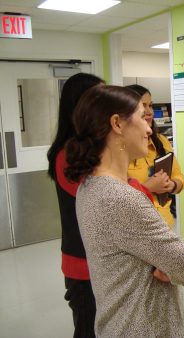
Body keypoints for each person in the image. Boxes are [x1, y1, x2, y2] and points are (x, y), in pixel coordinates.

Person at [64, 85, 184, 337]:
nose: (149, 127)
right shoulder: (120, 198)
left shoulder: (90, 185)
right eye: (142, 116)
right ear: (117, 124)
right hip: (143, 327)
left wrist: (167, 261)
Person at [47, 72, 104, 338]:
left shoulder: (93, 147)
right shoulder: (67, 155)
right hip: (83, 262)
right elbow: (102, 197)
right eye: (98, 99)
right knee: (88, 329)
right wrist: (144, 187)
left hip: (102, 259)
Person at [127, 84, 184, 228]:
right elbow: (116, 198)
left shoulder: (162, 141)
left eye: (150, 105)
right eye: (142, 106)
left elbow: (179, 178)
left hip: (165, 223)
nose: (148, 111)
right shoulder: (121, 148)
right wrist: (149, 187)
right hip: (139, 227)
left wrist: (171, 185)